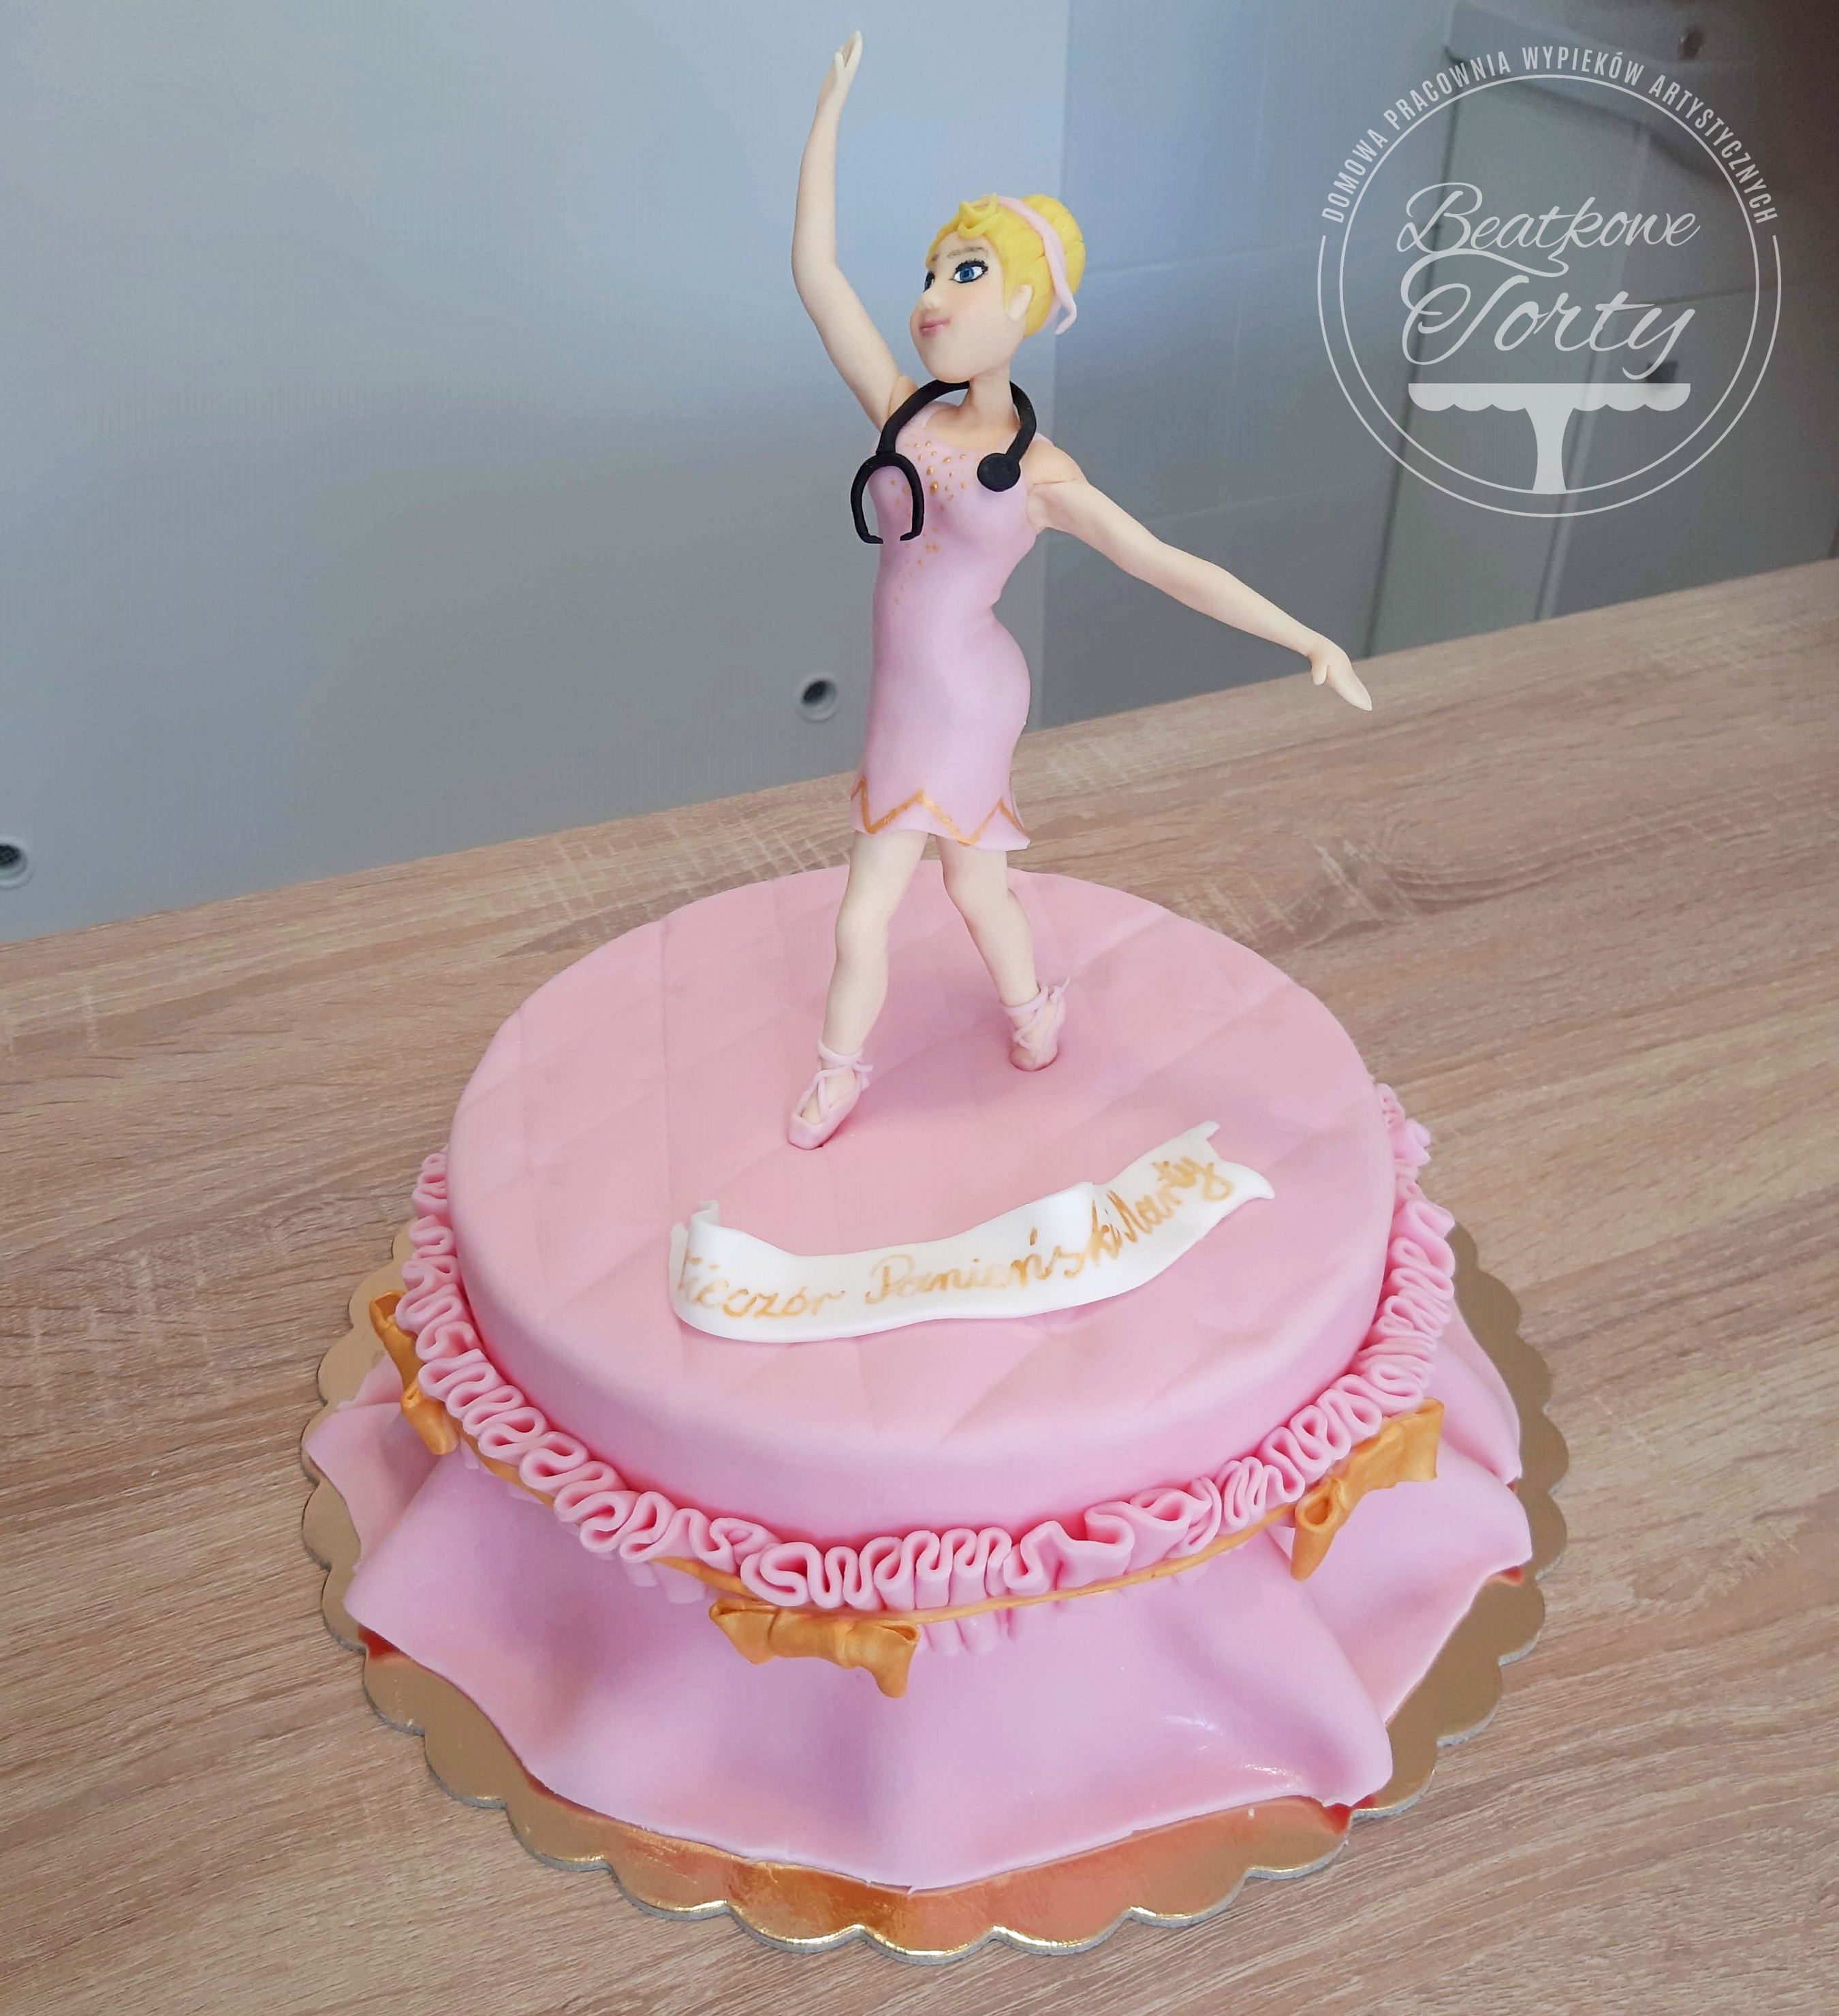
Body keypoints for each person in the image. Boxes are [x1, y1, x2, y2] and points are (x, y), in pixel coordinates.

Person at [788, 30, 1370, 1149]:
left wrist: (1308, 639)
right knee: (962, 889)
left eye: (967, 274)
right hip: (908, 694)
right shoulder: (904, 413)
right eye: (931, 273)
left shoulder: (1043, 477)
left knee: (893, 901)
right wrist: (828, 115)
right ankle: (1022, 1015)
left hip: (964, 698)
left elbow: (1167, 564)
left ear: (1030, 304)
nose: (932, 298)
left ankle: (854, 1067)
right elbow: (817, 280)